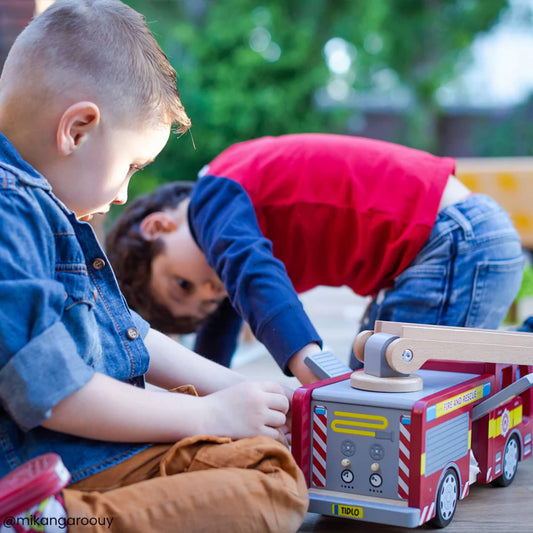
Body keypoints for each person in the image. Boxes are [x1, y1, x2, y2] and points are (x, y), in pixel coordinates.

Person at [0, 2, 308, 533]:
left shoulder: (45, 209)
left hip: (87, 453)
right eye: (131, 167)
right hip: (49, 463)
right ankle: (47, 522)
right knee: (271, 491)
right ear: (77, 130)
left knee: (267, 464)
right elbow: (55, 393)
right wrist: (208, 417)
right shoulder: (11, 209)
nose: (124, 194)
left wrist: (243, 394)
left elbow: (128, 335)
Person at [106, 133, 525, 384]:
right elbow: (220, 332)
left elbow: (250, 271)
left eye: (183, 283)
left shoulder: (214, 197)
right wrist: (202, 397)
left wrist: (309, 363)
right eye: (206, 300)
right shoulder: (224, 221)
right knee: (370, 385)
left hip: (453, 242)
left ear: (159, 227)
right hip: (450, 247)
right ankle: (523, 350)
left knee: (380, 408)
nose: (211, 289)